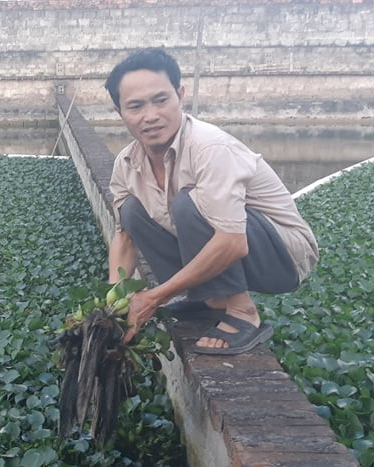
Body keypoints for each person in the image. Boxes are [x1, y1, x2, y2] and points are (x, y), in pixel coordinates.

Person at [106, 48, 318, 354]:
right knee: (131, 211)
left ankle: (243, 312)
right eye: (135, 106)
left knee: (186, 204)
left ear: (180, 95)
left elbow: (233, 242)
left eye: (161, 100)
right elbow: (125, 237)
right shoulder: (127, 163)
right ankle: (209, 298)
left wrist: (155, 297)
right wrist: (117, 299)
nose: (150, 116)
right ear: (119, 111)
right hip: (230, 247)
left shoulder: (209, 147)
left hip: (281, 255)